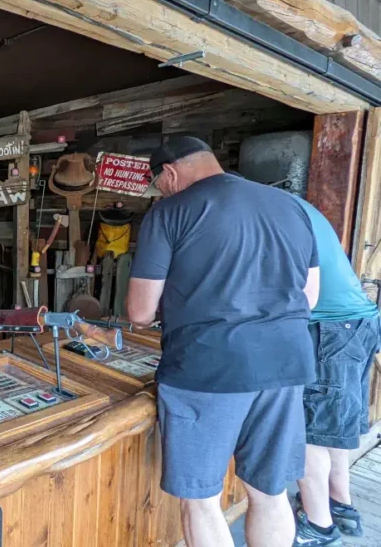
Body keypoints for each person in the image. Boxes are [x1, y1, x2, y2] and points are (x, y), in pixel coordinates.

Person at [127, 137, 320, 547]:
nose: (159, 191)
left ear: (170, 173)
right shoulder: (291, 207)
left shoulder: (170, 212)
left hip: (208, 368)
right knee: (270, 493)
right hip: (286, 365)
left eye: (157, 183)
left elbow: (140, 312)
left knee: (201, 500)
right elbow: (310, 296)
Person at [291, 195, 379, 546]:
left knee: (307, 433)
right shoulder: (299, 208)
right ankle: (341, 506)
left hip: (328, 331)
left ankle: (318, 527)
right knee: (330, 430)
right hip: (359, 322)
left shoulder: (271, 216)